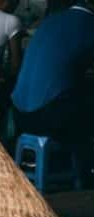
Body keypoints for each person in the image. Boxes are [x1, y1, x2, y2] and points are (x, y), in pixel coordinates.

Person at [10, 0, 94, 143]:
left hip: (18, 115)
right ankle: (82, 163)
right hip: (46, 117)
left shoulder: (50, 21)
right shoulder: (89, 23)